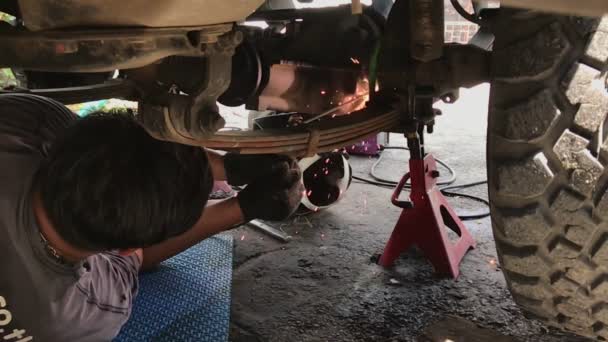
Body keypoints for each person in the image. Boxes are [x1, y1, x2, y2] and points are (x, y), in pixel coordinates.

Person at [0, 93, 303, 341]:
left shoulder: (21, 122)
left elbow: (113, 150)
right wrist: (245, 206)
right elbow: (140, 258)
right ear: (127, 245)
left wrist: (227, 169)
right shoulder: (78, 316)